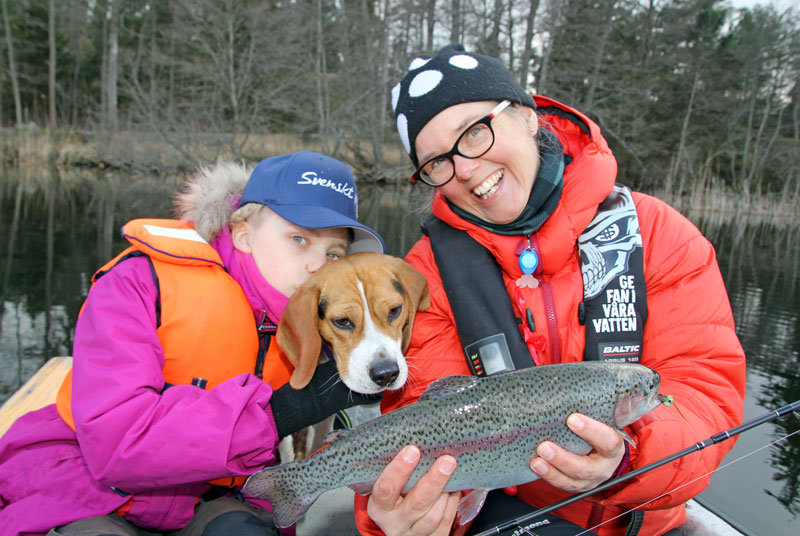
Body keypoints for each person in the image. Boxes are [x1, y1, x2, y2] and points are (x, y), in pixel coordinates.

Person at [354, 44, 746, 536]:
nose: (467, 169)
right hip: (504, 516)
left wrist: (632, 455)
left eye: (475, 132)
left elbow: (705, 391)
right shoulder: (423, 276)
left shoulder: (659, 234)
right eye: (437, 162)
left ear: (527, 116)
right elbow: (424, 420)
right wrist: (402, 517)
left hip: (643, 518)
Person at [0, 151, 386, 536]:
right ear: (243, 234)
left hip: (213, 496)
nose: (318, 265)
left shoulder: (320, 323)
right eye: (299, 239)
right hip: (90, 491)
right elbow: (118, 446)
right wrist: (276, 413)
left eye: (334, 252)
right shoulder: (136, 284)